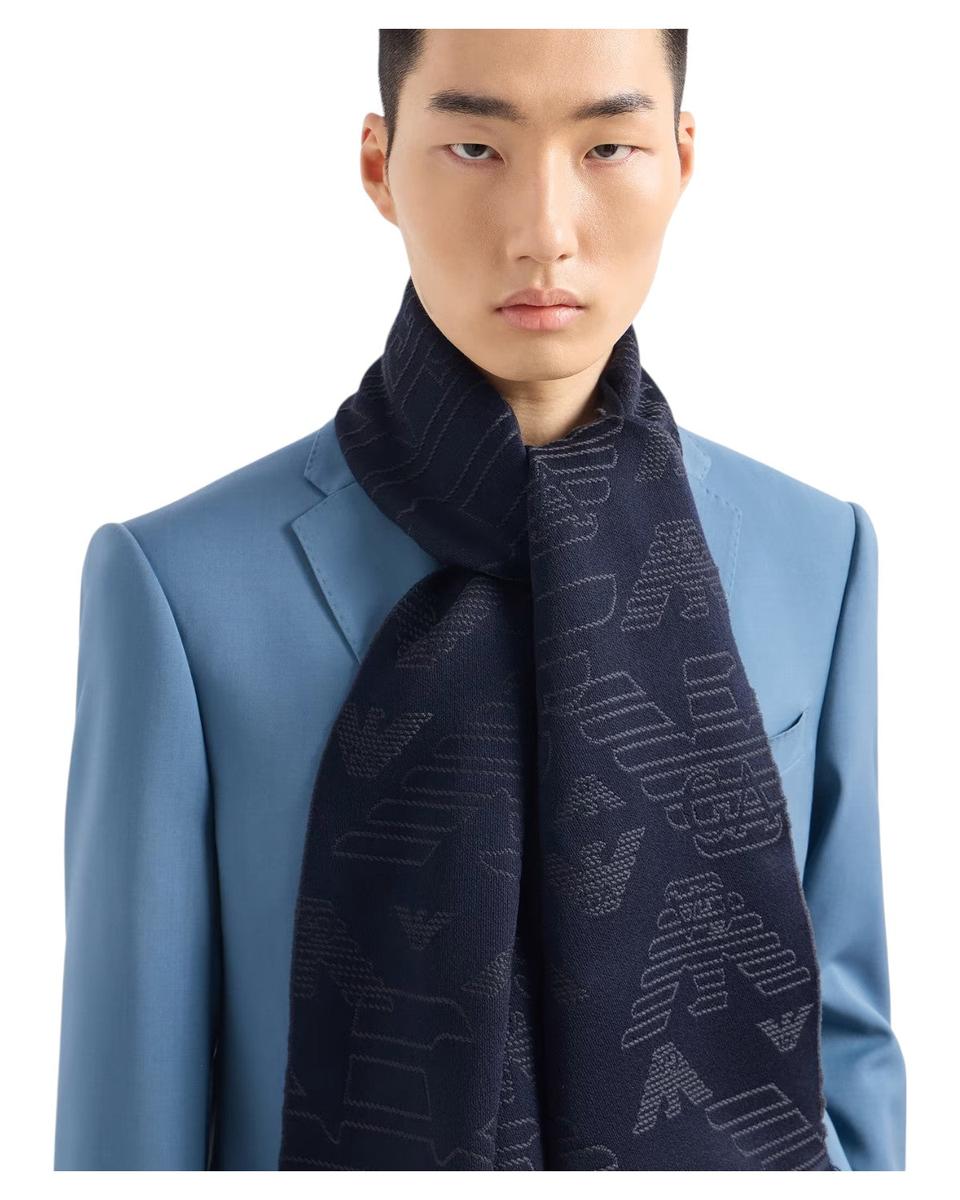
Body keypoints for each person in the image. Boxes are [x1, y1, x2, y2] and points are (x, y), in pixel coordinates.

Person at [53, 28, 906, 1170]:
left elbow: (845, 1050)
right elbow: (125, 1124)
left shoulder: (819, 553)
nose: (544, 231)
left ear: (682, 159)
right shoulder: (178, 590)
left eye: (607, 147)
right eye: (474, 147)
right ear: (378, 165)